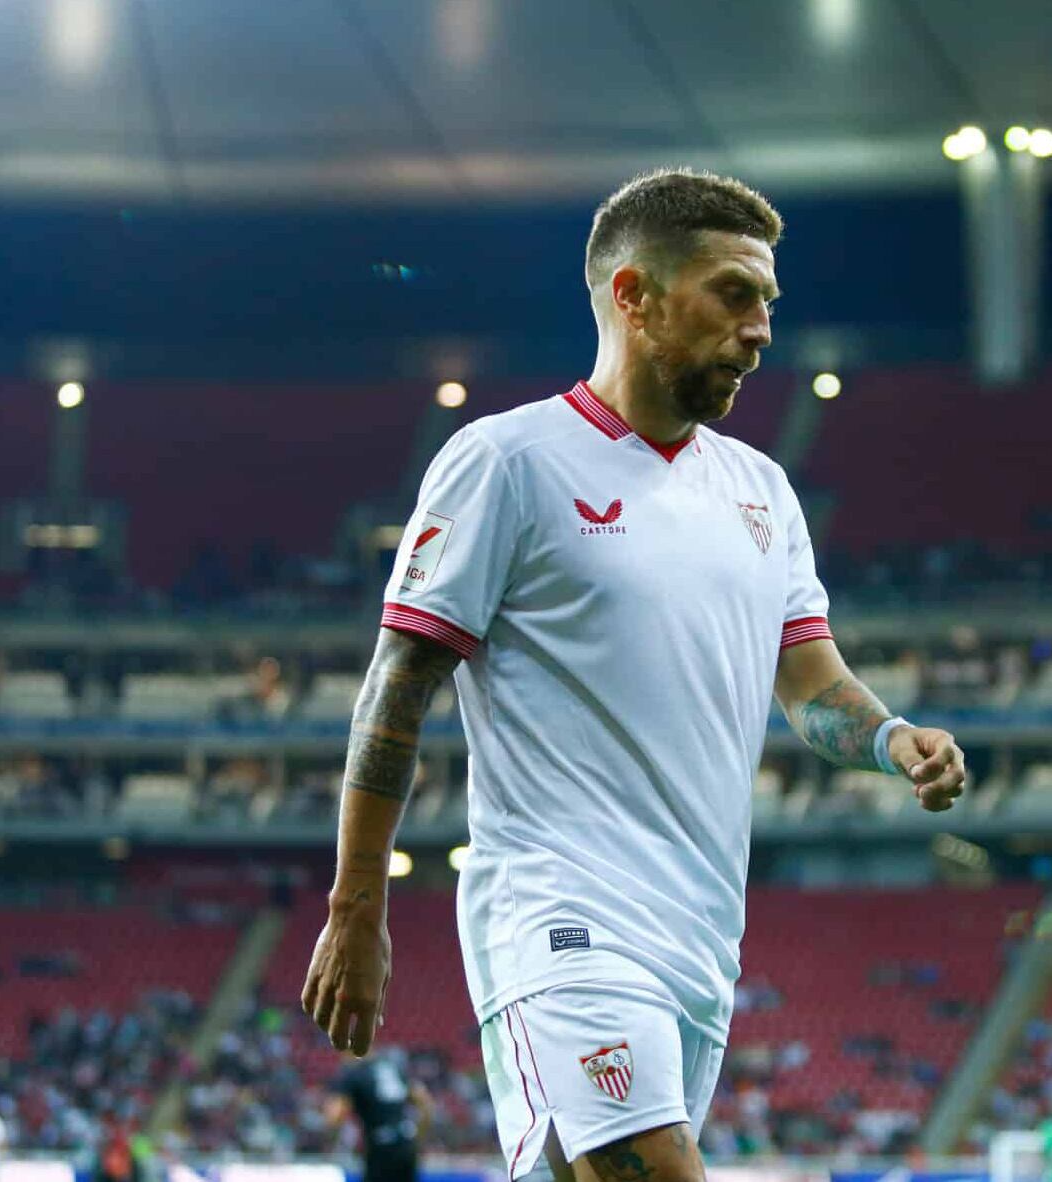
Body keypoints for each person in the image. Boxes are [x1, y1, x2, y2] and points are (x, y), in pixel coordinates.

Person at [301, 168, 967, 1182]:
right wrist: (357, 908)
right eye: (733, 294)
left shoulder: (761, 493)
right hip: (563, 917)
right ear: (635, 296)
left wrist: (886, 738)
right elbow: (399, 681)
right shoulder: (508, 462)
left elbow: (807, 682)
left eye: (768, 304)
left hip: (700, 936)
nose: (759, 329)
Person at [324, 1051, 433, 1182]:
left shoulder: (354, 1073)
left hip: (380, 1148)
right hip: (406, 1144)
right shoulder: (391, 1067)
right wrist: (418, 1136)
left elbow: (335, 1117)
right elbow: (424, 1101)